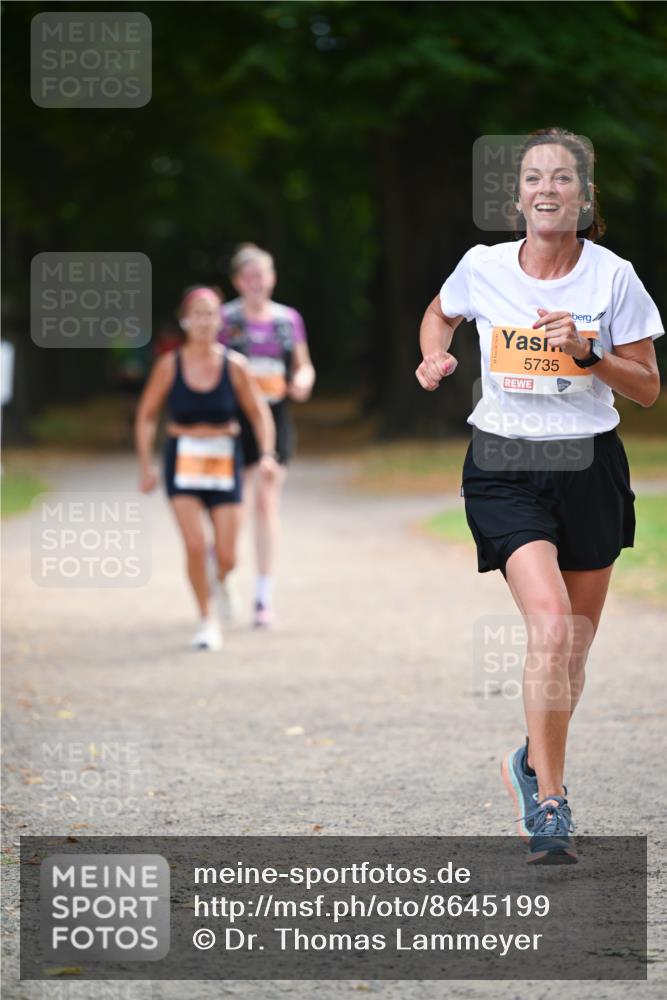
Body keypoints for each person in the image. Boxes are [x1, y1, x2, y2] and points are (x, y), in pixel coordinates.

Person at [416, 127, 663, 863]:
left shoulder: (612, 277)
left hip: (588, 466)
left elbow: (648, 388)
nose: (546, 190)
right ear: (516, 196)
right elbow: (441, 310)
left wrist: (588, 354)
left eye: (561, 179)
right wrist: (433, 351)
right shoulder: (483, 266)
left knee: (573, 647)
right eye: (533, 179)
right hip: (501, 463)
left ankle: (529, 761)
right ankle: (550, 804)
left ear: (584, 198)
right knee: (551, 628)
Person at [135, 286, 278, 650]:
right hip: (181, 463)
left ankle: (222, 579)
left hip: (223, 463)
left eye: (211, 313)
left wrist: (266, 454)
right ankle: (206, 619)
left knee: (227, 554)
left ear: (220, 321)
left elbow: (259, 413)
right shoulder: (170, 366)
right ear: (185, 320)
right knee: (196, 545)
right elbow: (147, 415)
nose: (203, 321)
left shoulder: (235, 366)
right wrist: (145, 465)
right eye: (197, 313)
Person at [220, 244, 316, 627]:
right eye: (248, 276)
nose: (256, 283)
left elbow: (303, 365)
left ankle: (262, 596)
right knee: (234, 507)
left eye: (262, 275)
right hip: (231, 420)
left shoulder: (287, 320)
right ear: (237, 281)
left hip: (274, 419)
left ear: (272, 278)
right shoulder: (224, 320)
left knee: (265, 503)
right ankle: (222, 573)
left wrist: (303, 381)